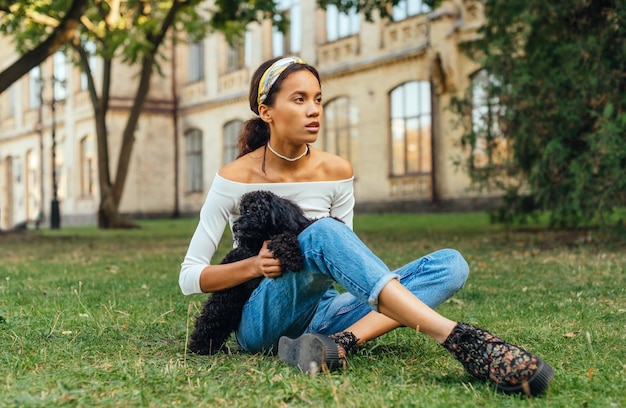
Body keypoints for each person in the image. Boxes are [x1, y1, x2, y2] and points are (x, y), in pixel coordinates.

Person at [179, 56, 553, 396]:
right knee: (322, 232)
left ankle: (341, 342)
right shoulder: (233, 178)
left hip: (324, 311)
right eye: (299, 100)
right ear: (267, 111)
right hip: (262, 315)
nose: (314, 111)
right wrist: (254, 266)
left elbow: (341, 255)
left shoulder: (337, 171)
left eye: (318, 99)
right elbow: (189, 276)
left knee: (450, 264)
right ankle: (457, 338)